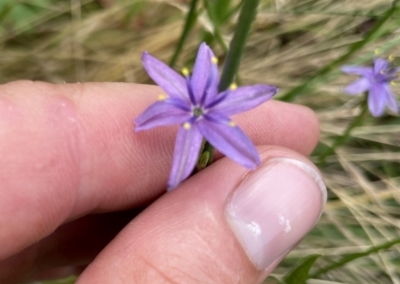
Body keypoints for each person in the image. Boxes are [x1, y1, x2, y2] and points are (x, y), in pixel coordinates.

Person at [0, 80, 326, 284]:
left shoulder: (211, 117)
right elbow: (148, 119)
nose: (199, 109)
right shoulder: (188, 118)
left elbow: (256, 117)